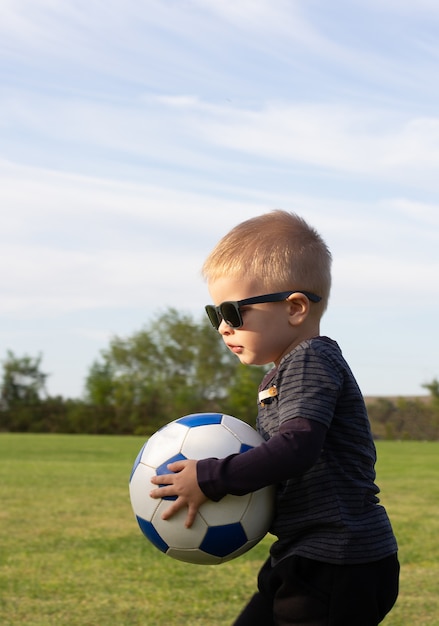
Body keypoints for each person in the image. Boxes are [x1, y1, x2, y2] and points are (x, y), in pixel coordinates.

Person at [150, 210, 399, 625]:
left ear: (296, 308)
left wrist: (210, 478)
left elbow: (297, 447)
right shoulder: (283, 372)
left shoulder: (310, 360)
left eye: (232, 312)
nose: (222, 328)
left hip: (338, 560)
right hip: (304, 554)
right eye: (215, 316)